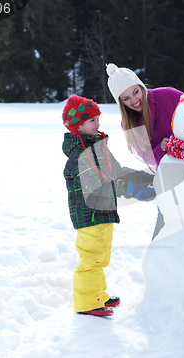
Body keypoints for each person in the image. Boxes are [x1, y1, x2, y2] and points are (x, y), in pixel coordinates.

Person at [62, 95, 156, 317]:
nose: (98, 124)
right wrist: (130, 190)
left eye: (97, 119)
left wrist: (146, 179)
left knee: (101, 257)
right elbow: (97, 185)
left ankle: (98, 295)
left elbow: (117, 171)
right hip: (88, 215)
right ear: (79, 126)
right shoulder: (80, 154)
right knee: (91, 258)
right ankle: (87, 303)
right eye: (92, 120)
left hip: (102, 212)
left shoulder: (98, 146)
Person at [106, 63, 183, 239]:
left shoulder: (168, 96)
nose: (134, 101)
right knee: (165, 227)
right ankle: (157, 261)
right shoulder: (129, 123)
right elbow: (147, 157)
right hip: (169, 177)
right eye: (125, 99)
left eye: (135, 92)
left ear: (141, 86)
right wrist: (161, 148)